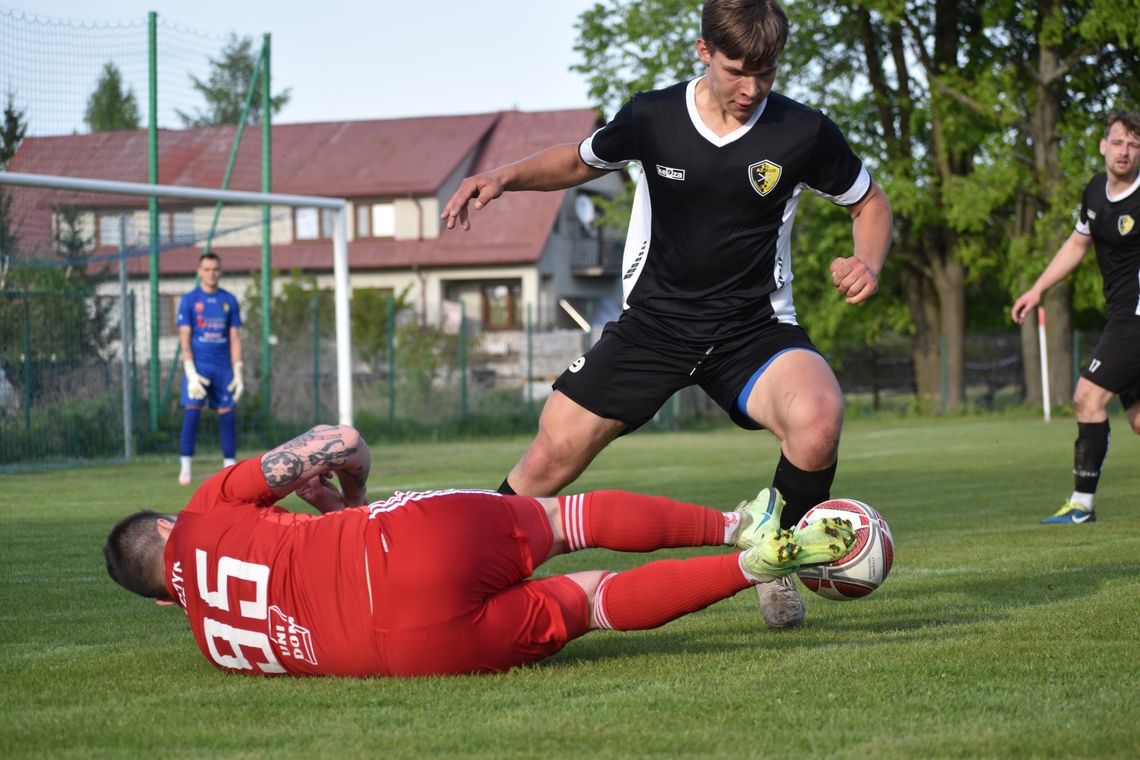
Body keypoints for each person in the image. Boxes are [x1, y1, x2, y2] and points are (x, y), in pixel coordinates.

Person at [439, 0, 892, 629]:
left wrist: (867, 260)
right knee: (550, 454)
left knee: (818, 418)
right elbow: (580, 160)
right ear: (704, 51)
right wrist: (502, 178)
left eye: (765, 73)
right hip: (653, 326)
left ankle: (773, 561)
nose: (752, 88)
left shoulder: (804, 132)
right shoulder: (653, 116)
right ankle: (457, 569)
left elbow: (869, 203)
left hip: (752, 328)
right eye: (737, 71)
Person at [103, 424, 855, 678]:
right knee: (565, 520)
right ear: (167, 528)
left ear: (165, 599)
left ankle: (753, 568)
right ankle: (740, 525)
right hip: (400, 545)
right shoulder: (200, 512)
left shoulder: (213, 647)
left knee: (590, 601)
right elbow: (338, 441)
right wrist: (355, 499)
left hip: (414, 649)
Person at [1011, 110, 1140, 524]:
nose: (1125, 151)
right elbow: (1077, 244)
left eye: (1134, 144)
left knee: (1087, 397)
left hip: (1135, 319)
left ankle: (1082, 505)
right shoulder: (1095, 192)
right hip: (1121, 314)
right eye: (1118, 142)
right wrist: (1037, 289)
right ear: (1103, 145)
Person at [176, 252, 244, 486]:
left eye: (215, 269)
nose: (211, 274)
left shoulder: (229, 300)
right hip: (199, 367)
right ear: (199, 272)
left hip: (223, 368)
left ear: (220, 271)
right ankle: (185, 468)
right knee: (191, 415)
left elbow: (235, 339)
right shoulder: (189, 300)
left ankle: (229, 468)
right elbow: (184, 338)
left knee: (228, 416)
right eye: (206, 269)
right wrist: (190, 372)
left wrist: (238, 372)